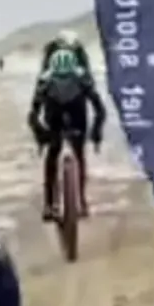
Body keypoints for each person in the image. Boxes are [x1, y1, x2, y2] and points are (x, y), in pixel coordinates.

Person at [28, 37, 106, 220]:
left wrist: (96, 132)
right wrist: (41, 134)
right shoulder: (45, 81)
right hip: (54, 109)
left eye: (68, 80)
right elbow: (33, 114)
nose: (63, 84)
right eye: (59, 80)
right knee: (53, 151)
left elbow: (100, 110)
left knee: (77, 151)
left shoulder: (83, 78)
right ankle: (49, 203)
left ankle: (81, 199)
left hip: (76, 108)